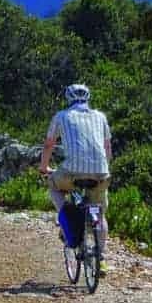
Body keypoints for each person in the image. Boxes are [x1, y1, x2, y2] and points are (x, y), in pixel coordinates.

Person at [39, 83, 112, 274]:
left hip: (72, 173)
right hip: (101, 173)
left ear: (68, 98)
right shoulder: (101, 117)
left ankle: (68, 217)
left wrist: (44, 167)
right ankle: (101, 258)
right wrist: (103, 168)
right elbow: (107, 149)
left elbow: (49, 145)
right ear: (88, 98)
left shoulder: (62, 116)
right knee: (100, 214)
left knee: (54, 186)